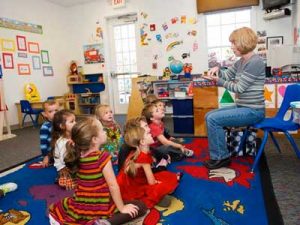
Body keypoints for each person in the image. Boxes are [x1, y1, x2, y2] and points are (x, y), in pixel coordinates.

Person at [49, 117, 147, 225]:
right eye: (102, 130)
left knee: (65, 204)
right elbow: (113, 186)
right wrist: (122, 207)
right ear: (94, 139)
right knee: (140, 206)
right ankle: (104, 222)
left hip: (82, 203)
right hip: (101, 204)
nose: (105, 132)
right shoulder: (102, 157)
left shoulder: (77, 155)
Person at [202, 27, 265, 169]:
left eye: (233, 43)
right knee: (209, 116)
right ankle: (220, 154)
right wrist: (218, 70)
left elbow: (239, 88)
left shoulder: (255, 62)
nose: (231, 47)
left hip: (254, 111)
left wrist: (218, 81)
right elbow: (227, 75)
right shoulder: (241, 61)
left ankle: (221, 158)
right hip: (243, 107)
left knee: (213, 119)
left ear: (243, 43)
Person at [117, 125, 179, 209]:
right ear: (142, 141)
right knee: (164, 186)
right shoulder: (143, 157)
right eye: (148, 133)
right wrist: (158, 183)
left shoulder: (138, 152)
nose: (151, 134)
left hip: (131, 182)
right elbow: (151, 182)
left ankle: (163, 194)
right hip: (132, 189)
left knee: (166, 176)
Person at [51, 109, 76, 189]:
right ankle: (61, 178)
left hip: (75, 162)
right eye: (72, 122)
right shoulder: (61, 142)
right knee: (70, 183)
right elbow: (63, 160)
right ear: (62, 126)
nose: (75, 123)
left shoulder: (76, 135)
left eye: (75, 120)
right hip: (66, 166)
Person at [40, 100, 59, 167]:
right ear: (45, 114)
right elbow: (43, 144)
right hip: (51, 152)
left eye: (56, 110)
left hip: (60, 148)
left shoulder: (60, 123)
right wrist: (46, 156)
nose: (54, 113)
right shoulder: (45, 127)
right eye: (50, 111)